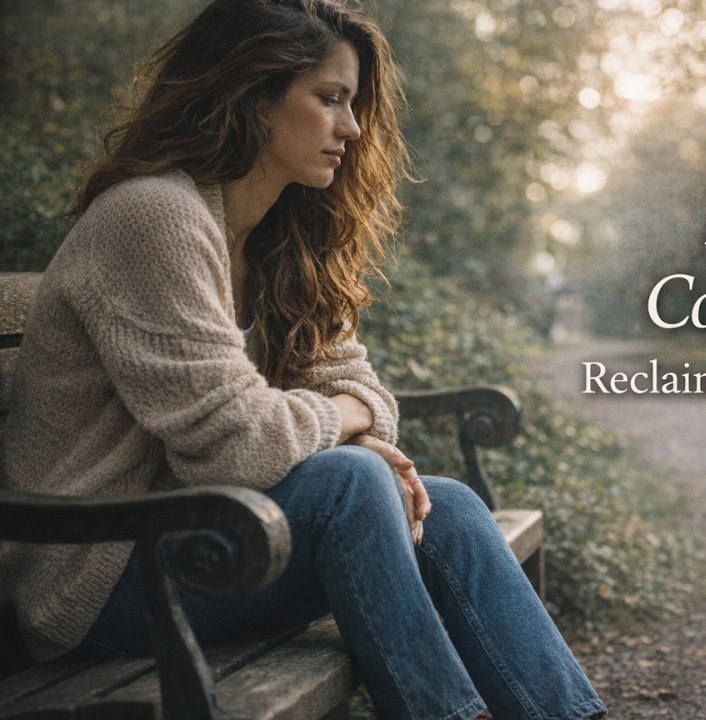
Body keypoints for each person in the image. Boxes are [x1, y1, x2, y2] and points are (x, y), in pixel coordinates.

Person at [0, 1, 606, 718]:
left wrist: (349, 415)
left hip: (209, 540)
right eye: (329, 100)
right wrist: (346, 420)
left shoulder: (283, 238)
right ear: (250, 93)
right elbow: (235, 446)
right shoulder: (152, 218)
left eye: (351, 106)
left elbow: (366, 392)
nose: (351, 128)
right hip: (95, 579)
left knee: (454, 511)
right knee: (351, 483)